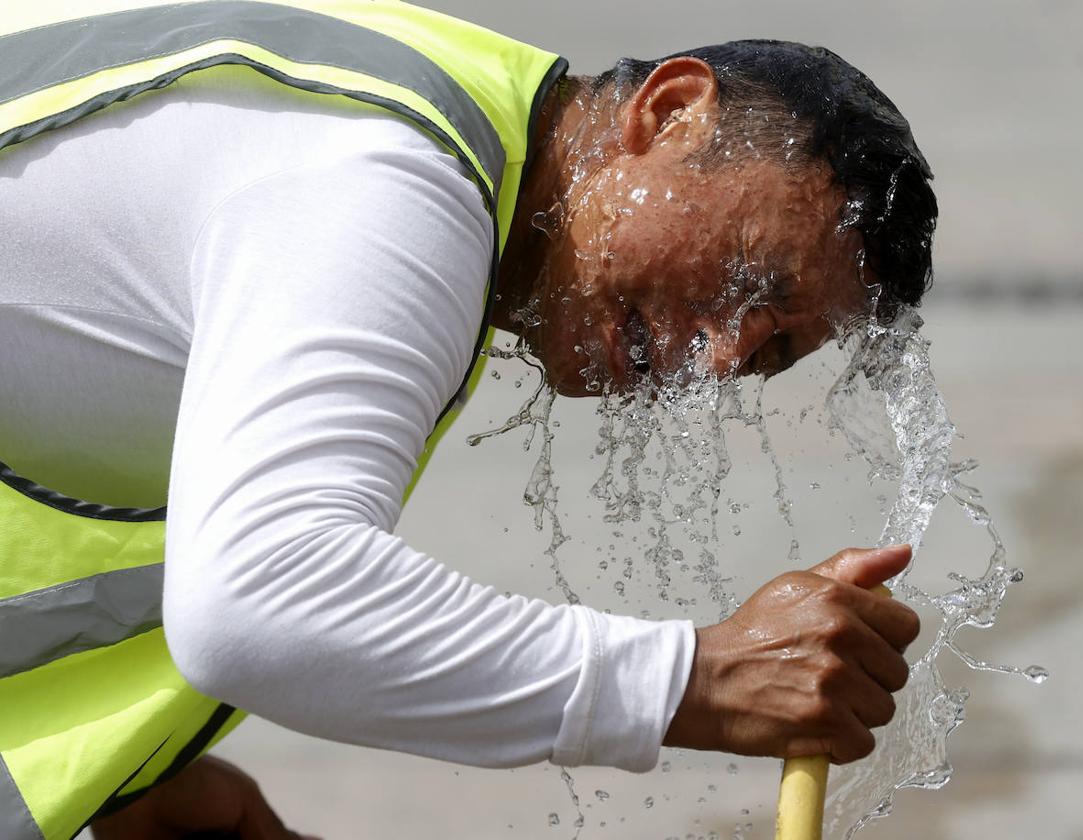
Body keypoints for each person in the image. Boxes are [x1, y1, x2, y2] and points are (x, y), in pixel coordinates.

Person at [0, 2, 934, 837]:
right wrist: (696, 679)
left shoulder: (423, 116)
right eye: (745, 277)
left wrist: (139, 788)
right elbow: (256, 600)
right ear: (671, 111)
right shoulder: (398, 182)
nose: (723, 357)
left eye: (768, 355)